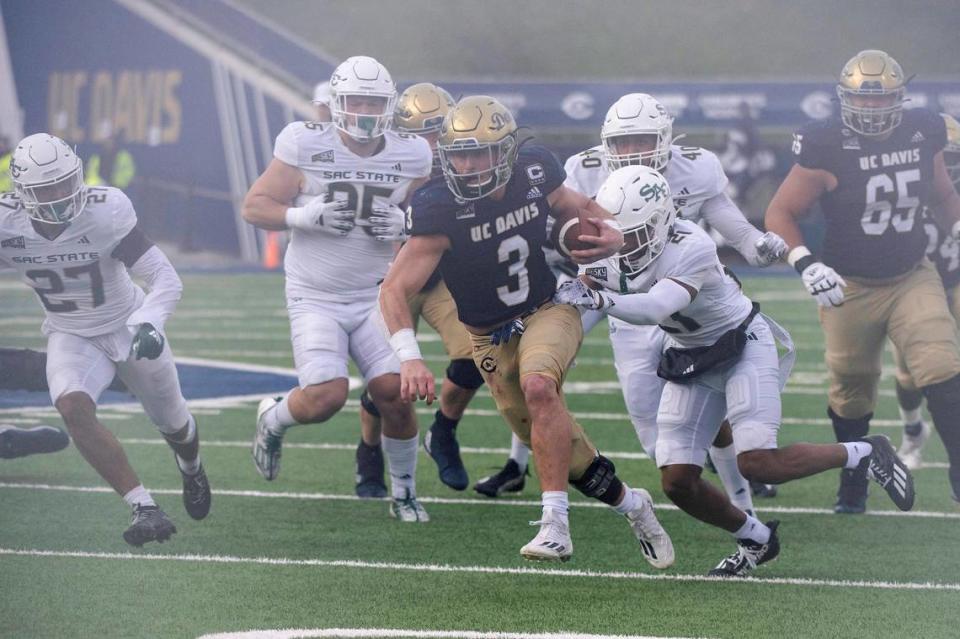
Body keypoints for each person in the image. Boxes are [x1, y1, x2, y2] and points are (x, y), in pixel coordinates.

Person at [557, 164, 915, 576]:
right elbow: (579, 291)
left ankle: (865, 452)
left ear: (659, 222)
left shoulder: (691, 244)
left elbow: (655, 306)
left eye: (633, 233)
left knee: (758, 461)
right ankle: (757, 539)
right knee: (676, 482)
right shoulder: (611, 247)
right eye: (615, 230)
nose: (622, 243)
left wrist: (599, 301)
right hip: (690, 355)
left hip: (741, 345)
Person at [379, 95, 674, 565]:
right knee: (561, 445)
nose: (469, 165)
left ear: (508, 151)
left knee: (540, 387)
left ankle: (554, 523)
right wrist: (410, 356)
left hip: (547, 307)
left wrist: (610, 232)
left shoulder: (534, 169)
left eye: (481, 152)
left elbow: (580, 206)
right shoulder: (438, 204)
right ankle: (633, 504)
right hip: (488, 337)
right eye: (459, 154)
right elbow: (394, 288)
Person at [479, 93, 787, 507]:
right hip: (597, 285)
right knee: (549, 371)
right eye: (622, 142)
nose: (631, 151)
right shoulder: (583, 171)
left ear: (665, 138)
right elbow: (547, 229)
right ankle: (518, 462)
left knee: (706, 401)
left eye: (642, 140)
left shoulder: (696, 167)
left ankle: (740, 498)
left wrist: (757, 247)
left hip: (679, 297)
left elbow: (729, 222)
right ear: (605, 143)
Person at [765, 49, 960, 511]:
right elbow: (781, 212)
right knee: (852, 388)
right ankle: (854, 480)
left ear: (899, 98)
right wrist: (805, 262)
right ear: (844, 100)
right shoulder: (825, 142)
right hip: (848, 283)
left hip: (912, 274)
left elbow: (942, 194)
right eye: (863, 100)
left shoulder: (922, 130)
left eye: (882, 99)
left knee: (943, 367)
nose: (872, 108)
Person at [242, 55, 434, 522]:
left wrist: (408, 222)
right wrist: (299, 216)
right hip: (315, 295)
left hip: (376, 292)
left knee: (395, 392)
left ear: (389, 106)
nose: (366, 111)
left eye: (374, 102)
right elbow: (254, 206)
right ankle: (274, 418)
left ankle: (404, 491)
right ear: (336, 103)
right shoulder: (305, 143)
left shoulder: (412, 153)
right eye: (357, 101)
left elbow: (435, 221)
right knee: (325, 397)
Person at [0, 133, 210, 546]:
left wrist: (150, 321)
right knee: (71, 405)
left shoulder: (105, 210)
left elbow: (164, 277)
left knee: (175, 423)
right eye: (48, 188)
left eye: (65, 182)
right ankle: (143, 506)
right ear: (24, 193)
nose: (61, 194)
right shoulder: (8, 225)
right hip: (70, 333)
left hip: (128, 324)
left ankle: (192, 467)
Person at [354, 82, 484, 497]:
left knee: (476, 355)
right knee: (386, 383)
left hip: (441, 278)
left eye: (437, 131)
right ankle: (368, 451)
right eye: (421, 134)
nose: (431, 143)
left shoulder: (463, 166)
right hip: (392, 282)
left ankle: (443, 431)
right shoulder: (384, 163)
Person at [890, 113, 960, 470]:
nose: (945, 167)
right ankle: (913, 433)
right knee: (908, 374)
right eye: (941, 158)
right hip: (916, 286)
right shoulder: (903, 189)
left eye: (952, 158)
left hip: (958, 280)